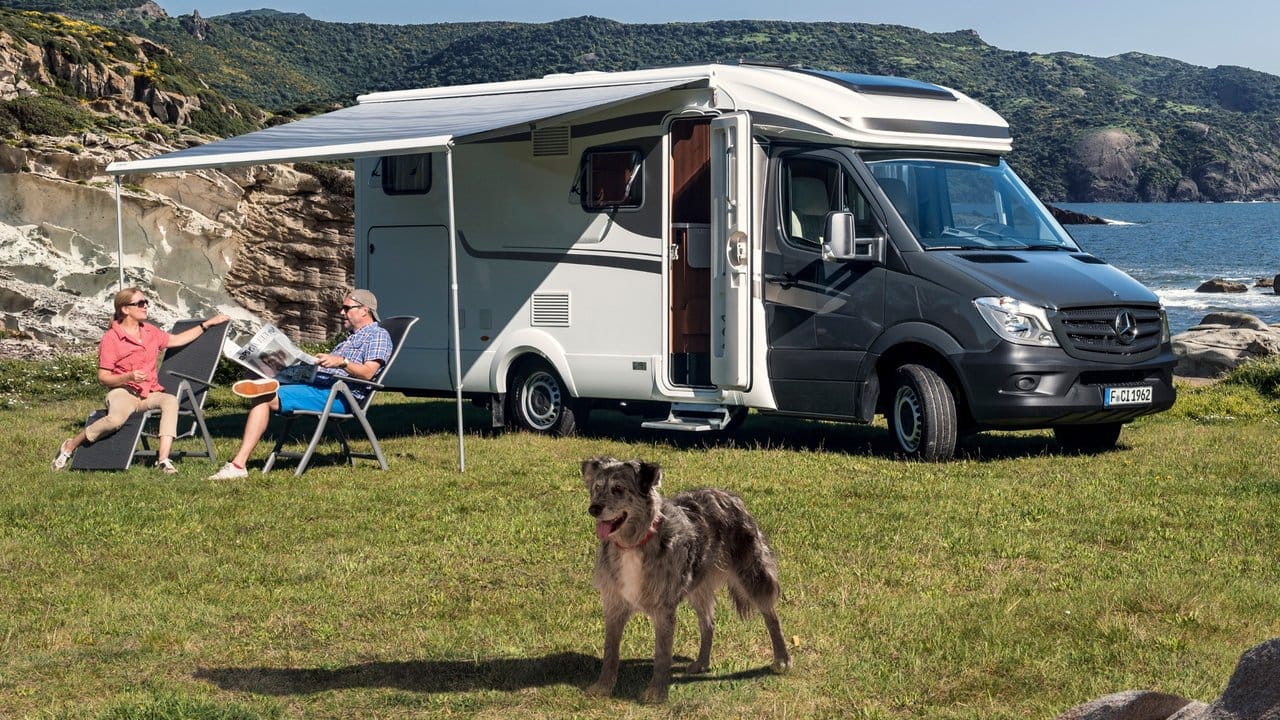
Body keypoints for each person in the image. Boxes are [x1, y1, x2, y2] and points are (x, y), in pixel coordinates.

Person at [209, 289, 392, 479]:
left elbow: (369, 373)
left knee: (263, 396)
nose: (341, 312)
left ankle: (238, 465)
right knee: (262, 377)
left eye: (346, 308)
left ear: (364, 310)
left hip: (340, 395)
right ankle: (264, 379)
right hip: (320, 385)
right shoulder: (351, 337)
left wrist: (342, 362)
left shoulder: (378, 335)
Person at [52, 287, 231, 474]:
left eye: (146, 303)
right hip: (123, 391)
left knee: (169, 400)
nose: (145, 306)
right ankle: (70, 446)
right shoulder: (111, 338)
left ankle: (163, 460)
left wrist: (207, 324)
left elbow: (177, 340)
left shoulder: (150, 332)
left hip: (149, 392)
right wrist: (128, 376)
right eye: (139, 303)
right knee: (115, 420)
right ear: (125, 309)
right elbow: (103, 378)